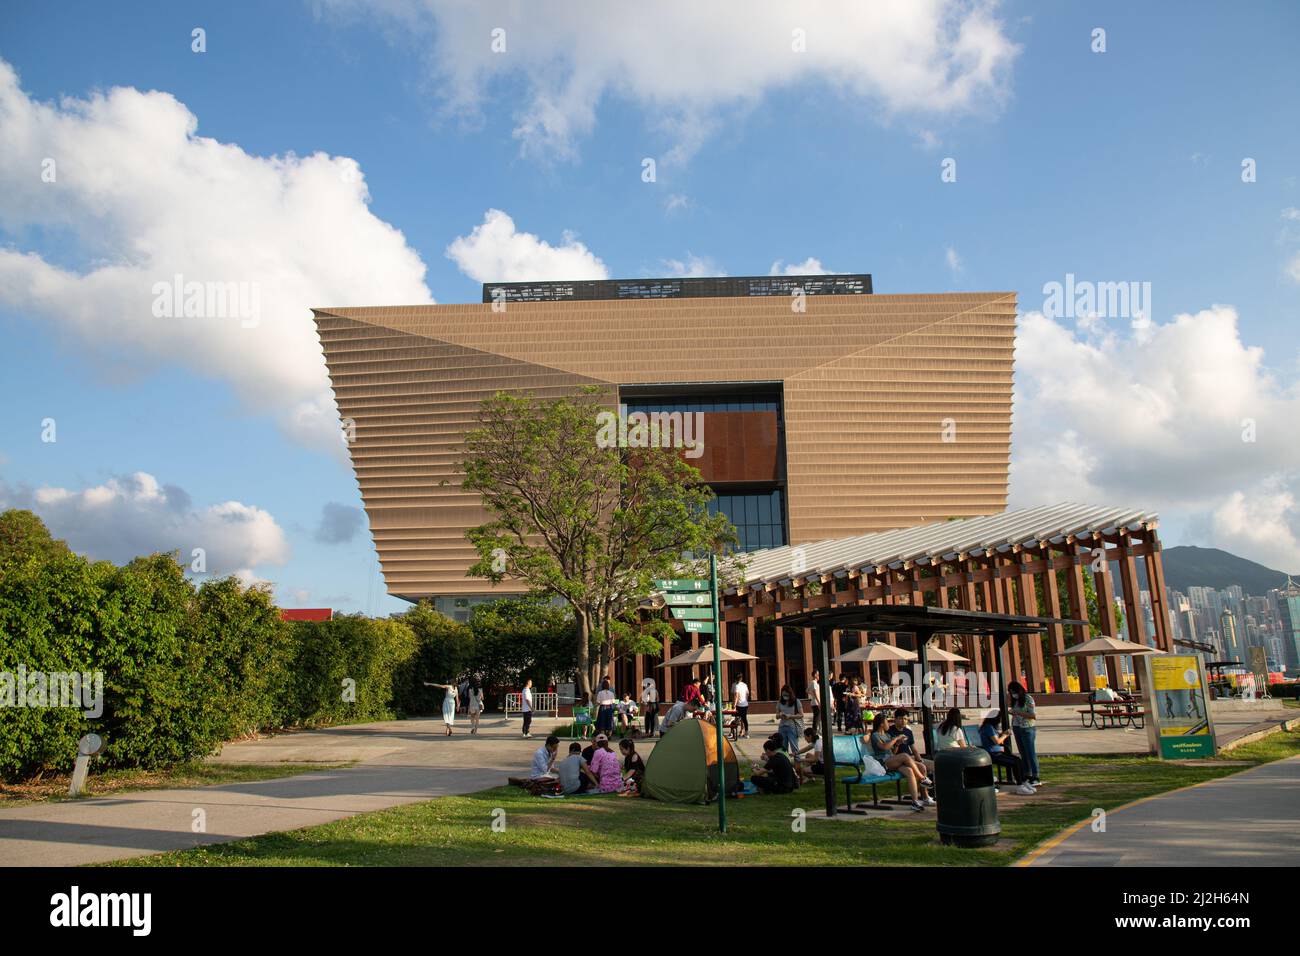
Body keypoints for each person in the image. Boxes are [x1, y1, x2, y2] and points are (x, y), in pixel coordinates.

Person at [867, 713, 933, 811]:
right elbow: (884, 747)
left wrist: (897, 744)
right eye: (886, 722)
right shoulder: (875, 735)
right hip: (883, 763)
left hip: (892, 760)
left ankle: (915, 802)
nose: (888, 724)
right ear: (881, 724)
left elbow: (893, 751)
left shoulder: (887, 735)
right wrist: (896, 739)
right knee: (905, 756)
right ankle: (922, 778)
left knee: (916, 769)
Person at [978, 713, 1036, 795]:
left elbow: (995, 739)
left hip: (997, 752)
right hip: (992, 754)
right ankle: (1019, 786)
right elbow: (997, 741)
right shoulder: (988, 727)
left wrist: (1002, 734)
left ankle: (1023, 782)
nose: (1000, 722)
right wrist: (1005, 735)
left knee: (1018, 760)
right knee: (1015, 762)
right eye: (999, 719)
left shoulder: (990, 727)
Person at [1008, 681, 1041, 787]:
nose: (1013, 694)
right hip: (1017, 727)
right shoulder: (1016, 701)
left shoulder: (1028, 699)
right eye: (1011, 692)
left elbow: (1032, 715)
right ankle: (1027, 774)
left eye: (1014, 692)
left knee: (1030, 752)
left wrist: (1017, 712)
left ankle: (1036, 776)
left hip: (1027, 728)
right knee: (1023, 752)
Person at [888, 709, 933, 777]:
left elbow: (913, 749)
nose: (903, 721)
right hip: (899, 761)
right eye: (901, 718)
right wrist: (897, 743)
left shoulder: (908, 731)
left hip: (910, 758)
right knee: (922, 768)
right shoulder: (890, 731)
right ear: (895, 719)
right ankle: (924, 785)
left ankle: (934, 786)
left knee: (934, 765)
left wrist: (920, 760)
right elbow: (891, 753)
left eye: (905, 719)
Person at [776, 684, 804, 753]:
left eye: (786, 695)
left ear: (790, 694)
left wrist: (790, 716)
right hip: (782, 727)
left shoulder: (796, 701)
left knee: (794, 748)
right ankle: (786, 763)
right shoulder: (780, 702)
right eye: (783, 695)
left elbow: (801, 715)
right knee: (783, 749)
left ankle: (797, 762)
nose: (785, 697)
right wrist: (780, 715)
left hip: (792, 727)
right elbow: (776, 716)